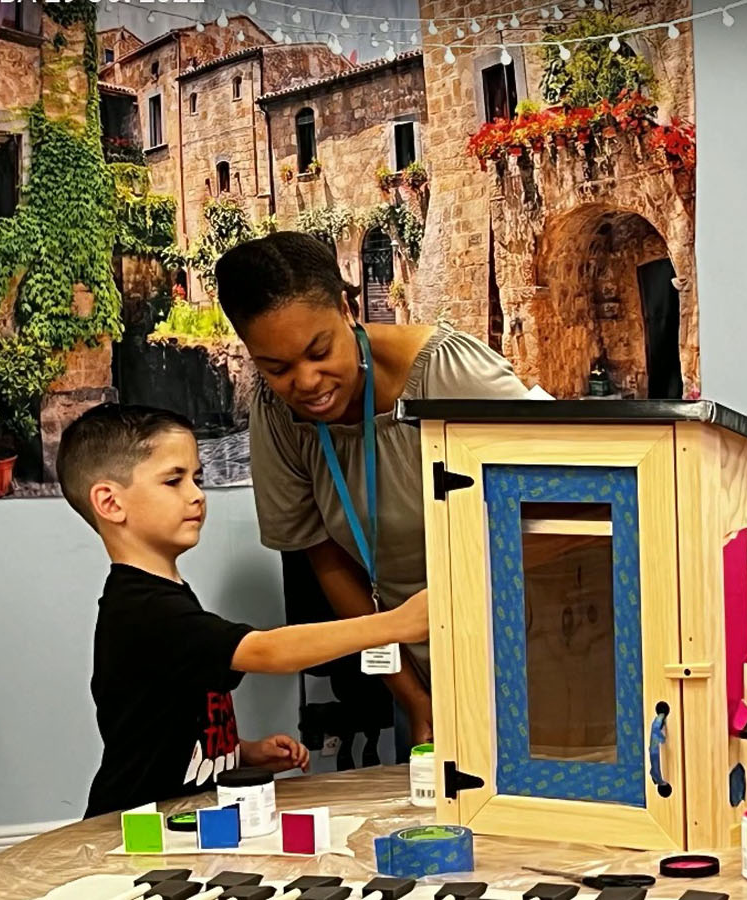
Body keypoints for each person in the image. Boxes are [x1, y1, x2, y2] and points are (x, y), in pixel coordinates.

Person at [215, 233, 531, 746]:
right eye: (275, 368)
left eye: (319, 351)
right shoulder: (276, 417)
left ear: (346, 308)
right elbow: (326, 558)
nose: (307, 381)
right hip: (419, 658)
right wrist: (415, 699)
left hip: (528, 636)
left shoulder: (448, 373)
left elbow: (553, 507)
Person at [58, 404, 430, 817]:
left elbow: (169, 725)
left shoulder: (165, 595)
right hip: (134, 827)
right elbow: (266, 651)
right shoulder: (142, 610)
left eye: (196, 478)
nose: (197, 494)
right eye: (173, 481)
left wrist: (240, 753)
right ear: (110, 502)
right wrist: (395, 623)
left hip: (180, 817)